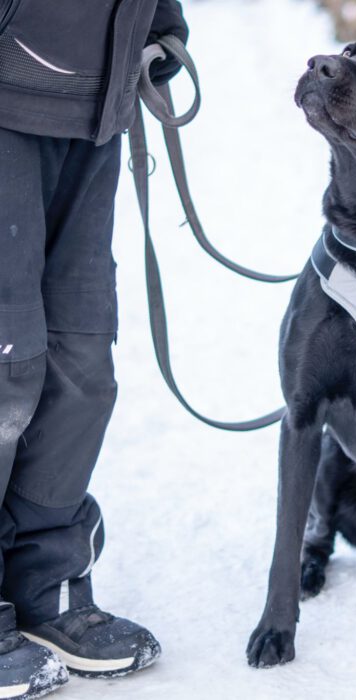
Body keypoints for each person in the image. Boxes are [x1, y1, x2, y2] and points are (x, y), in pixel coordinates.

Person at [0, 1, 188, 697]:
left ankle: (42, 584)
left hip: (96, 105)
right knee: (5, 363)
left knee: (82, 361)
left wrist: (161, 23)